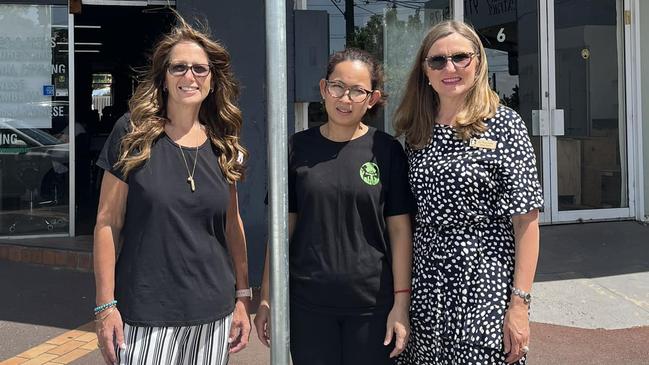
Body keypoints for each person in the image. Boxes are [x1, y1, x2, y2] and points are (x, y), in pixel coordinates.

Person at [93, 14, 251, 365]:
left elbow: (232, 224)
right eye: (178, 68)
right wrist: (106, 306)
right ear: (163, 78)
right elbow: (107, 223)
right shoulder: (133, 133)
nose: (189, 77)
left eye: (199, 69)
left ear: (212, 79)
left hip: (213, 313)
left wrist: (243, 296)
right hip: (146, 313)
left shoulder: (224, 142)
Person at [393, 20, 543, 365]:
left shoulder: (504, 124)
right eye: (438, 61)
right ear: (425, 71)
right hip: (427, 281)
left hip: (485, 278)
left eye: (461, 57)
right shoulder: (416, 132)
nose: (450, 68)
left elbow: (526, 221)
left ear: (478, 63)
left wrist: (519, 304)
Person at [254, 48, 414, 365]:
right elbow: (282, 231)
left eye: (358, 91)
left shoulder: (386, 150)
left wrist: (400, 304)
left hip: (372, 307)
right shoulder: (296, 148)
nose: (346, 98)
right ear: (324, 89)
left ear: (372, 98)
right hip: (308, 306)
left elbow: (399, 231)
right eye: (338, 86)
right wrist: (267, 299)